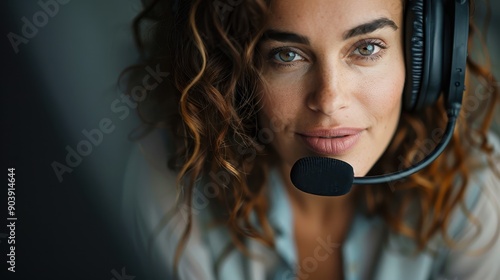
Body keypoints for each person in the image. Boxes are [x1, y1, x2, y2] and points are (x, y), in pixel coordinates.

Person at [121, 0, 500, 279]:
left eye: (367, 48)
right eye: (287, 55)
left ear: (425, 62)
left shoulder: (478, 191)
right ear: (234, 75)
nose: (329, 100)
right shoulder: (176, 188)